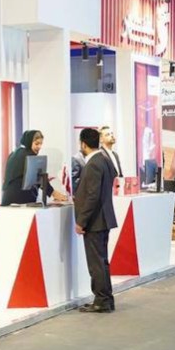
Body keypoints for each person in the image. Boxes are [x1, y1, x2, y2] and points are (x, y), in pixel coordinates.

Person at [74, 128, 118, 314]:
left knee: (96, 263)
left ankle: (101, 301)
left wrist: (81, 221)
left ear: (83, 144)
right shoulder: (105, 159)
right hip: (104, 218)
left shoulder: (93, 164)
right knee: (102, 261)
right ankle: (106, 299)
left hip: (95, 221)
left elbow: (92, 196)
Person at [0, 130, 66, 206]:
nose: (39, 147)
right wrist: (54, 193)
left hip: (7, 199)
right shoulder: (30, 156)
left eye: (41, 144)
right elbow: (40, 177)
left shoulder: (14, 153)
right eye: (36, 144)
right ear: (29, 142)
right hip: (20, 201)